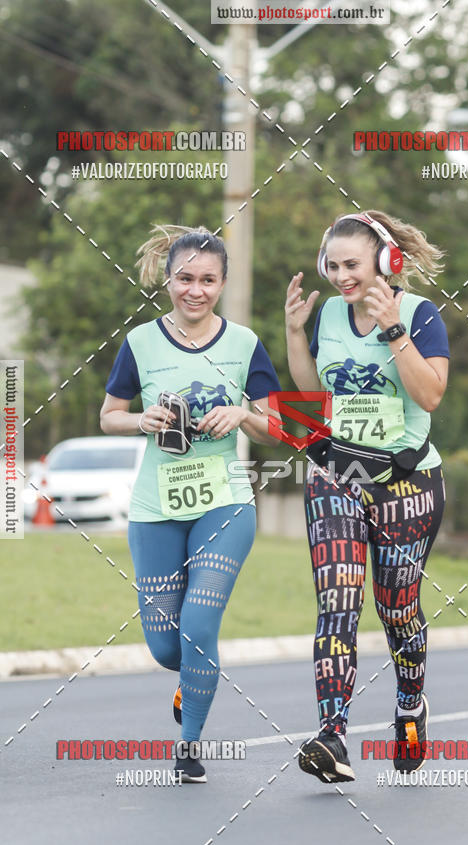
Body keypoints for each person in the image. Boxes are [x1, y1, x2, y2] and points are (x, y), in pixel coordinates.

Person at [100, 224, 281, 783]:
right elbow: (108, 415)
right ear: (168, 279)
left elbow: (277, 428)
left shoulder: (245, 344)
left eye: (207, 279)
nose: (194, 290)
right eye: (185, 278)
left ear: (222, 283)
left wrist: (244, 415)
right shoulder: (139, 343)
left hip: (223, 502)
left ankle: (189, 746)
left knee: (198, 627)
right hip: (155, 506)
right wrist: (140, 420)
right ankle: (189, 680)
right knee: (165, 646)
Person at [285, 211, 449, 783]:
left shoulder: (421, 315)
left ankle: (410, 704)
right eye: (331, 265)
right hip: (338, 474)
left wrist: (393, 330)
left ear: (384, 260)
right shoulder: (329, 312)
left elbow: (429, 396)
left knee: (397, 610)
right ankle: (332, 736)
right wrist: (292, 335)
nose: (339, 277)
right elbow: (311, 397)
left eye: (351, 265)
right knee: (338, 602)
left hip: (406, 482)